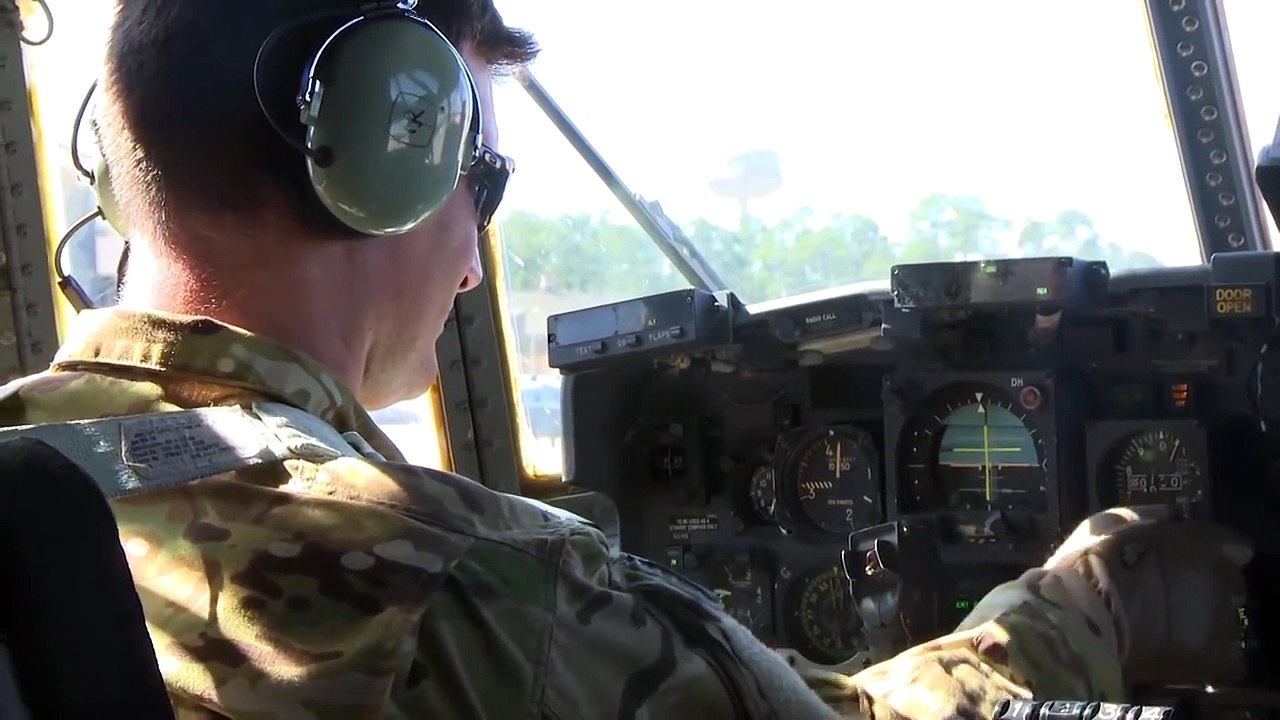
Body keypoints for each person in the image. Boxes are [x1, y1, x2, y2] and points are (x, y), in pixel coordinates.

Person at [3, 0, 1254, 717]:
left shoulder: (30, 471)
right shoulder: (451, 577)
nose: (472, 267)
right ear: (388, 158)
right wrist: (1080, 607)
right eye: (477, 183)